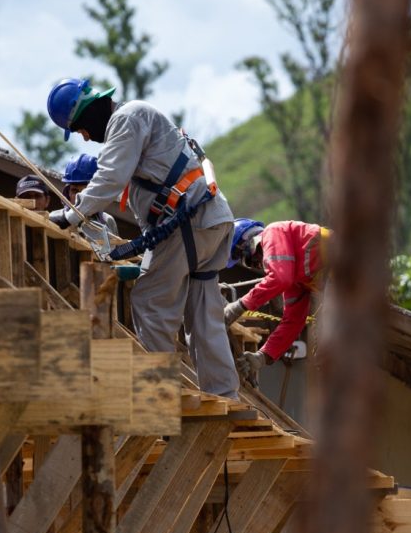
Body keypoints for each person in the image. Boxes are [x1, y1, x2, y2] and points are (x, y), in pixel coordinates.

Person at [46, 77, 238, 398]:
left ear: (86, 113)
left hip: (186, 222)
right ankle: (224, 396)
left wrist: (71, 215)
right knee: (203, 314)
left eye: (80, 128)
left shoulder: (126, 119)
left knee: (149, 302)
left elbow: (110, 176)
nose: (85, 137)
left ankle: (164, 396)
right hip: (208, 219)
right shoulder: (141, 120)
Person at [223, 218, 330, 381]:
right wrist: (262, 357)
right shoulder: (296, 278)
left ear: (250, 243)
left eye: (249, 260)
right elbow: (293, 322)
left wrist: (237, 307)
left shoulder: (273, 232)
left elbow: (279, 279)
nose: (257, 266)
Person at [52, 153, 119, 236]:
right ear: (67, 192)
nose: (78, 197)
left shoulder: (108, 221)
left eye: (85, 192)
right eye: (74, 191)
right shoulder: (54, 218)